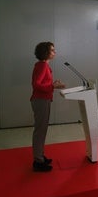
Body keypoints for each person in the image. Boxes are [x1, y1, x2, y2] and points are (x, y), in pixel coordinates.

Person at [30, 41, 66, 172]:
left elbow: (43, 84)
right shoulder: (42, 65)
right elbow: (36, 85)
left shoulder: (43, 65)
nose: (54, 52)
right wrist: (53, 86)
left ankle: (40, 156)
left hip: (42, 100)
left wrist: (53, 84)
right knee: (40, 130)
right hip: (40, 100)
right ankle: (38, 161)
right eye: (52, 50)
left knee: (42, 129)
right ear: (45, 52)